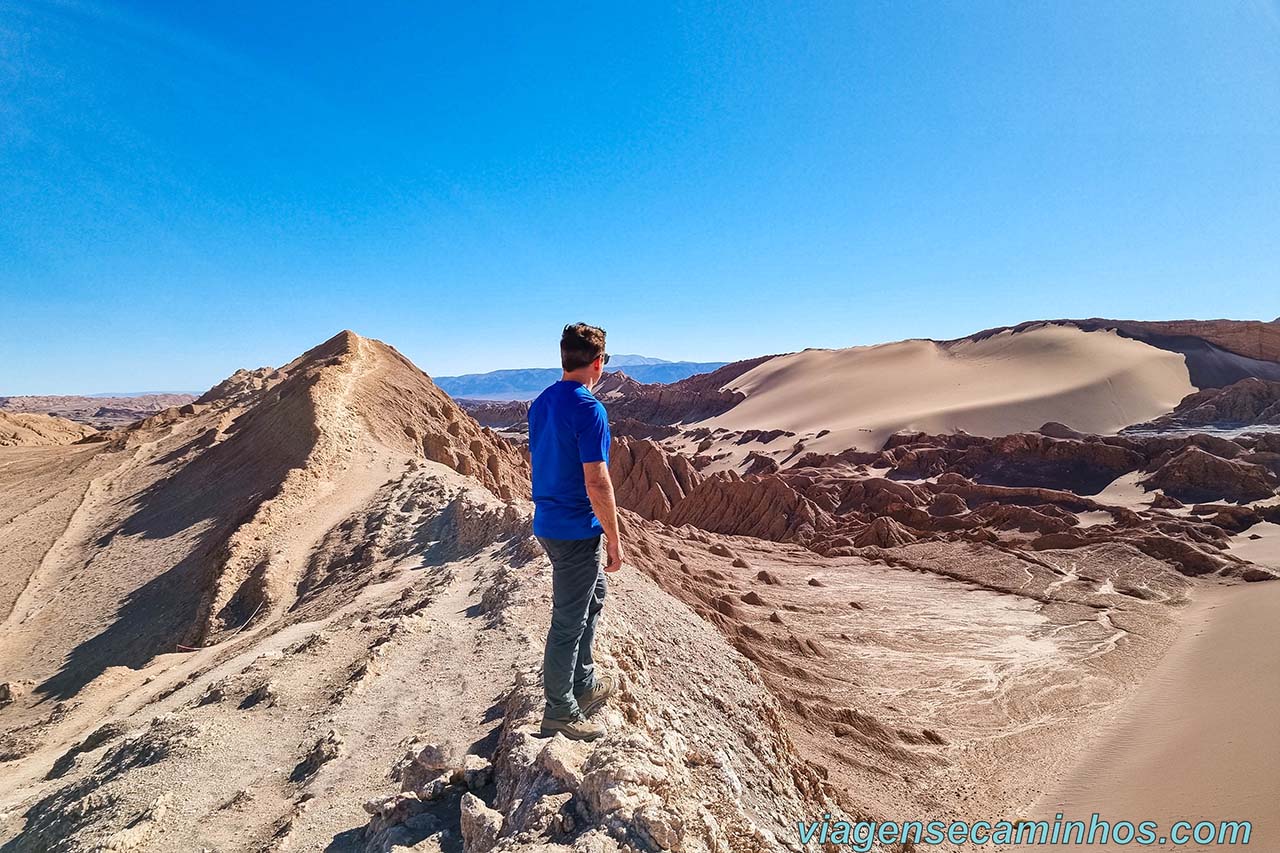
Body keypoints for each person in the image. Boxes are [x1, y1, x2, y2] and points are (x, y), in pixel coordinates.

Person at [527, 322, 624, 741]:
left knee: (593, 596)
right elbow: (597, 482)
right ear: (598, 362)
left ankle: (582, 683)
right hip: (575, 529)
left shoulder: (541, 403)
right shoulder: (589, 408)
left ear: (564, 357)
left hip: (549, 522)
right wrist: (615, 540)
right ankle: (560, 711)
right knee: (568, 620)